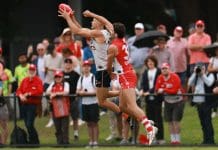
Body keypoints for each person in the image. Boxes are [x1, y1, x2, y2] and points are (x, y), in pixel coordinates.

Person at [58, 8, 120, 113]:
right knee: (103, 96)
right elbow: (81, 30)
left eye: (94, 20)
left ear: (99, 24)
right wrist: (73, 18)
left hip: (104, 70)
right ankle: (123, 94)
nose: (92, 21)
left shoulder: (99, 33)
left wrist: (67, 18)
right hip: (103, 70)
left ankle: (123, 114)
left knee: (102, 101)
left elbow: (76, 31)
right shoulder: (99, 33)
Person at [107, 22, 157, 145]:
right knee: (123, 107)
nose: (109, 31)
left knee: (132, 106)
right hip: (127, 74)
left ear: (116, 33)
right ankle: (145, 120)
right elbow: (111, 28)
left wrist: (110, 73)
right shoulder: (123, 40)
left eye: (112, 30)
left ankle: (150, 129)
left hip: (126, 76)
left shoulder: (113, 46)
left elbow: (108, 66)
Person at [155, 63, 184, 145]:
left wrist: (164, 89)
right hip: (167, 101)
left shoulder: (175, 77)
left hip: (177, 101)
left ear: (169, 69)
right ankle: (173, 140)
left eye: (166, 68)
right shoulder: (160, 77)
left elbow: (174, 91)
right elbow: (156, 89)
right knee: (169, 121)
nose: (164, 70)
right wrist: (163, 89)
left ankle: (178, 140)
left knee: (175, 121)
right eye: (162, 69)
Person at [188, 62, 215, 144]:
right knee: (202, 123)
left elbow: (209, 83)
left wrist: (202, 74)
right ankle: (205, 140)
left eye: (202, 68)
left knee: (207, 122)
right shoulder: (195, 76)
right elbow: (189, 83)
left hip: (206, 102)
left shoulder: (210, 75)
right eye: (198, 68)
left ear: (205, 68)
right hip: (198, 102)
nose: (200, 70)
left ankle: (210, 141)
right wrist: (194, 73)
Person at [139, 56, 164, 144]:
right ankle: (152, 138)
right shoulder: (145, 72)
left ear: (155, 62)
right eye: (148, 61)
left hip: (157, 98)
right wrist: (142, 90)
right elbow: (143, 83)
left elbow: (159, 83)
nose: (150, 63)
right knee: (150, 119)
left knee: (158, 118)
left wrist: (149, 91)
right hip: (148, 99)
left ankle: (160, 138)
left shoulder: (159, 71)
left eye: (152, 61)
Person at [16, 64, 43, 144]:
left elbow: (40, 91)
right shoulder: (24, 80)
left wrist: (29, 93)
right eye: (30, 70)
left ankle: (35, 141)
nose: (31, 71)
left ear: (35, 71)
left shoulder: (38, 80)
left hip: (33, 105)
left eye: (33, 70)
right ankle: (32, 140)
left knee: (29, 124)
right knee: (26, 123)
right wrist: (20, 95)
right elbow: (18, 90)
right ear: (27, 71)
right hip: (24, 105)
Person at [76, 60, 99, 147]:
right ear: (82, 68)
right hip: (85, 104)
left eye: (87, 66)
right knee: (88, 123)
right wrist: (81, 92)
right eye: (84, 66)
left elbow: (97, 91)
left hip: (93, 103)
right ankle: (91, 142)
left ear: (90, 68)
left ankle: (96, 142)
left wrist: (85, 93)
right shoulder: (81, 78)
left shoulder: (93, 77)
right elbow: (77, 90)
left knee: (94, 123)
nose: (86, 68)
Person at [46, 70, 70, 145]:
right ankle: (59, 142)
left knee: (64, 126)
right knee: (57, 126)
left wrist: (55, 94)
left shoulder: (65, 84)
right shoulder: (52, 84)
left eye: (59, 77)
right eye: (56, 77)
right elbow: (47, 92)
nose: (58, 78)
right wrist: (52, 93)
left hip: (64, 107)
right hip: (54, 107)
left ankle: (65, 142)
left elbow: (66, 92)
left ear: (62, 77)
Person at [63, 58, 80, 141]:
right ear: (64, 64)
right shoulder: (61, 74)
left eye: (69, 63)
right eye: (66, 63)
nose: (68, 65)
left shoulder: (76, 74)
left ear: (72, 65)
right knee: (65, 119)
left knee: (75, 118)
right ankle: (65, 135)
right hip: (63, 100)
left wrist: (76, 96)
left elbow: (79, 85)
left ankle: (76, 133)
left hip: (73, 98)